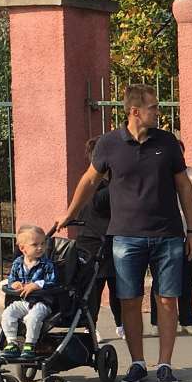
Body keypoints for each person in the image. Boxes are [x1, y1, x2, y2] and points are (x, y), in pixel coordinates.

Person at [57, 84, 192, 382]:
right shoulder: (109, 144)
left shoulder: (168, 143)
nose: (159, 112)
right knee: (129, 301)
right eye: (154, 107)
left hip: (168, 236)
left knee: (167, 301)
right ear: (135, 111)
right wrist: (70, 213)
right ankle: (137, 363)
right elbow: (89, 180)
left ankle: (164, 365)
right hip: (125, 238)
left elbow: (185, 188)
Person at [150, 149, 192, 335]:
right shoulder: (157, 174)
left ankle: (187, 321)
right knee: (160, 282)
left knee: (186, 280)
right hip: (164, 235)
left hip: (187, 236)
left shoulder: (190, 172)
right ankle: (156, 322)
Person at [74, 136, 123, 338]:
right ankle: (90, 327)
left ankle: (122, 325)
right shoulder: (99, 185)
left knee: (116, 287)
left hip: (107, 241)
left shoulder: (101, 183)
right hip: (94, 242)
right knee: (93, 290)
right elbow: (98, 204)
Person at [0, 225, 57, 359]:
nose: (40, 247)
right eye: (35, 244)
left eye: (43, 243)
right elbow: (11, 279)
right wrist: (14, 284)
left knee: (32, 318)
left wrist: (36, 285)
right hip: (23, 301)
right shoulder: (17, 263)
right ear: (23, 248)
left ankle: (30, 344)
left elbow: (52, 280)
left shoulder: (47, 264)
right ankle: (12, 342)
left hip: (41, 302)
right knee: (8, 314)